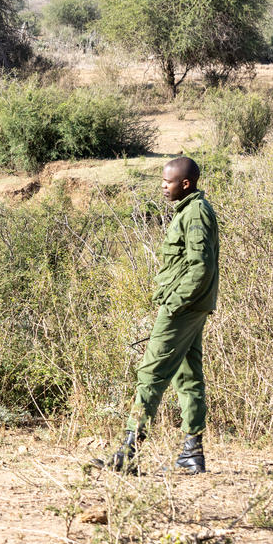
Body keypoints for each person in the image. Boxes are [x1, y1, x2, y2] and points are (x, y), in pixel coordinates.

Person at [97, 156, 219, 474]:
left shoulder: (195, 213)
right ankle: (192, 454)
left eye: (169, 182)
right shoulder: (191, 210)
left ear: (186, 184)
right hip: (192, 306)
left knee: (150, 374)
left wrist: (175, 303)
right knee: (187, 376)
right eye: (163, 181)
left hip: (183, 307)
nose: (164, 187)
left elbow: (201, 266)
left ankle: (128, 452)